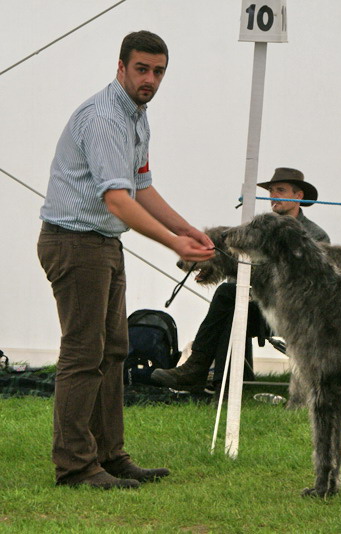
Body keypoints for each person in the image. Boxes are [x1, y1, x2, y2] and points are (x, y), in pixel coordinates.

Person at [37, 31, 215, 489]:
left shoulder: (136, 117)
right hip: (75, 242)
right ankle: (75, 466)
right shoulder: (103, 119)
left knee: (114, 350)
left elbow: (141, 187)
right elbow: (118, 201)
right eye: (142, 69)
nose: (150, 79)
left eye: (158, 72)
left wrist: (185, 228)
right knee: (83, 354)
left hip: (101, 244)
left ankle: (109, 457)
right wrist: (174, 245)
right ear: (120, 68)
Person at [151, 167, 330, 395]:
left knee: (228, 295)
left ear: (298, 196)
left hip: (296, 314)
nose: (274, 196)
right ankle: (222, 386)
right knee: (231, 302)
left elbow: (311, 285)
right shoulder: (256, 231)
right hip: (258, 308)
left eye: (281, 190)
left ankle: (198, 370)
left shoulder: (316, 235)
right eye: (272, 191)